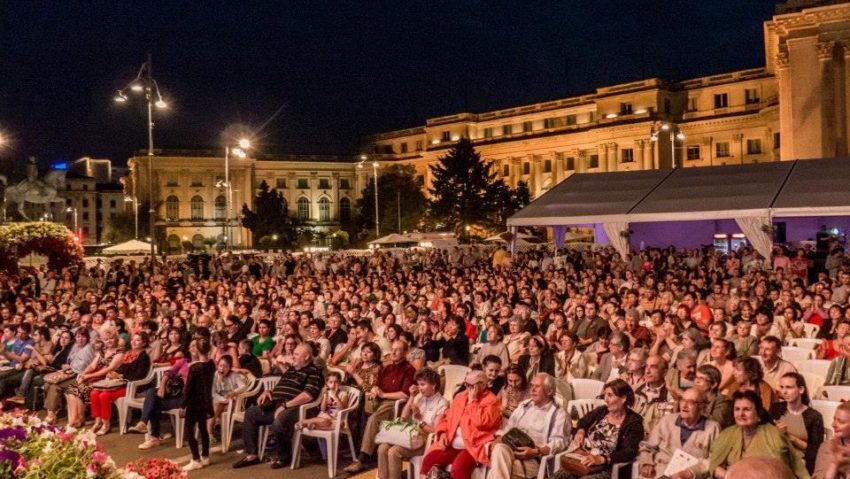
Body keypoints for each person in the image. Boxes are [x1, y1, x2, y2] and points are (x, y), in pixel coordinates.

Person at [232, 343, 324, 469]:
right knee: (251, 413)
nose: (293, 356)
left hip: (296, 408)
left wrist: (285, 405)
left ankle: (284, 457)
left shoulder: (314, 372)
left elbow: (308, 395)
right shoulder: (292, 369)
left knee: (278, 423)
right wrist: (268, 392)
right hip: (276, 404)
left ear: (307, 357)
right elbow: (281, 387)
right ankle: (252, 455)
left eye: (296, 354)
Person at [344, 340, 416, 473]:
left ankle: (362, 458)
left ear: (405, 353)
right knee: (359, 408)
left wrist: (383, 395)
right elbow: (378, 385)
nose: (393, 352)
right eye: (392, 349)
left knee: (373, 419)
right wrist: (376, 389)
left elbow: (405, 395)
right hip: (379, 400)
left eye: (398, 350)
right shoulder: (388, 368)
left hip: (394, 403)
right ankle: (357, 448)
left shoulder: (409, 369)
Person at [709, 390, 809, 479]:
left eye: (746, 409)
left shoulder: (774, 435)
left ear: (758, 413)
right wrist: (731, 476)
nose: (740, 414)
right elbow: (714, 466)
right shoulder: (727, 434)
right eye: (737, 409)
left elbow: (778, 470)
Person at [420, 370, 502, 479]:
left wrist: (473, 401)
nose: (468, 389)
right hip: (451, 443)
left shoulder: (492, 401)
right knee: (429, 460)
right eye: (466, 384)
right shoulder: (460, 397)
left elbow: (482, 423)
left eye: (472, 386)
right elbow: (446, 419)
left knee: (458, 468)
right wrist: (443, 433)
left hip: (473, 447)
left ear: (483, 385)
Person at [559, 379, 644, 479]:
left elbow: (629, 451)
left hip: (607, 467)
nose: (605, 399)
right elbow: (583, 421)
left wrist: (603, 459)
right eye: (605, 395)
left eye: (610, 395)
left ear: (623, 398)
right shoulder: (601, 411)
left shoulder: (634, 422)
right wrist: (580, 431)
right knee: (558, 476)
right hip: (582, 461)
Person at [487, 373, 568, 479]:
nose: (532, 390)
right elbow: (510, 427)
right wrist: (499, 438)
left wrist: (535, 452)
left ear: (549, 391)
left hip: (534, 458)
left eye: (537, 386)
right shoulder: (524, 405)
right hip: (512, 448)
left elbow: (559, 443)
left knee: (495, 471)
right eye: (532, 385)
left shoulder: (559, 414)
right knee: (498, 449)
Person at [376, 367, 447, 479]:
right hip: (408, 435)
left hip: (424, 441)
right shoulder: (419, 397)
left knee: (394, 452)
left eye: (423, 384)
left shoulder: (442, 403)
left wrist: (420, 420)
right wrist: (412, 397)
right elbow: (403, 417)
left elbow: (435, 431)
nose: (420, 388)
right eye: (418, 384)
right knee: (382, 448)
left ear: (433, 385)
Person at [637, 388, 720, 479]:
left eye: (691, 402)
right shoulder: (667, 420)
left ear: (702, 406)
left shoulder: (712, 428)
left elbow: (713, 460)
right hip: (657, 472)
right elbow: (647, 447)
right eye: (682, 400)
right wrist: (646, 463)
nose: (684, 405)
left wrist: (691, 472)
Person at [89, 331, 151, 436]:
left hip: (133, 387)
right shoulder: (128, 354)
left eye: (137, 340)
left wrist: (121, 377)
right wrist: (114, 373)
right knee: (94, 393)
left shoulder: (144, 357)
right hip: (120, 383)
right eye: (133, 340)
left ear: (144, 343)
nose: (134, 342)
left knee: (104, 396)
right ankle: (98, 422)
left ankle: (106, 425)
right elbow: (122, 370)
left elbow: (138, 376)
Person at [64, 328, 125, 429]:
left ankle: (77, 420)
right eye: (106, 339)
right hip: (97, 378)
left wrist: (88, 376)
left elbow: (108, 369)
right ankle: (76, 419)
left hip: (109, 381)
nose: (108, 341)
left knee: (80, 389)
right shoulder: (103, 350)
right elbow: (92, 366)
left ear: (116, 339)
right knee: (72, 388)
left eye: (111, 338)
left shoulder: (120, 352)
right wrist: (83, 374)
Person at [770, 372, 825, 474]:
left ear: (801, 390)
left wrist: (790, 437)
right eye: (782, 387)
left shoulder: (814, 416)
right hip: (775, 457)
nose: (784, 392)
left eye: (789, 387)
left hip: (799, 462)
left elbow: (816, 452)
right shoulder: (776, 409)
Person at [43, 327, 95, 424]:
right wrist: (66, 368)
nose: (80, 339)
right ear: (75, 337)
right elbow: (70, 361)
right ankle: (53, 412)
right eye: (78, 336)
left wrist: (69, 368)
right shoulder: (75, 346)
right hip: (70, 374)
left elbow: (83, 368)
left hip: (81, 377)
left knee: (54, 386)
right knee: (47, 384)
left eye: (83, 337)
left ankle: (51, 414)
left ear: (87, 338)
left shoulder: (88, 349)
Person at [181, 336, 216, 471]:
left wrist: (183, 405)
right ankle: (205, 456)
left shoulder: (195, 368)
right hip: (206, 401)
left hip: (194, 402)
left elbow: (188, 388)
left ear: (198, 350)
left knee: (189, 431)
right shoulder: (211, 364)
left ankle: (196, 459)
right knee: (203, 429)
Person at [634, 354, 673, 435]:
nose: (647, 371)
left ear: (665, 372)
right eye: (646, 366)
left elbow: (665, 430)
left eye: (653, 367)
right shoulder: (634, 390)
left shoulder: (670, 397)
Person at [813, 400, 850, 478]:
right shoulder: (827, 446)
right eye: (834, 419)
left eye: (841, 422)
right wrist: (834, 464)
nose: (833, 424)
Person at [694, 364, 733, 429]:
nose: (696, 381)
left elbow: (716, 425)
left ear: (713, 384)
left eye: (701, 378)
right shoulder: (691, 398)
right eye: (696, 377)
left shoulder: (724, 402)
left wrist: (695, 404)